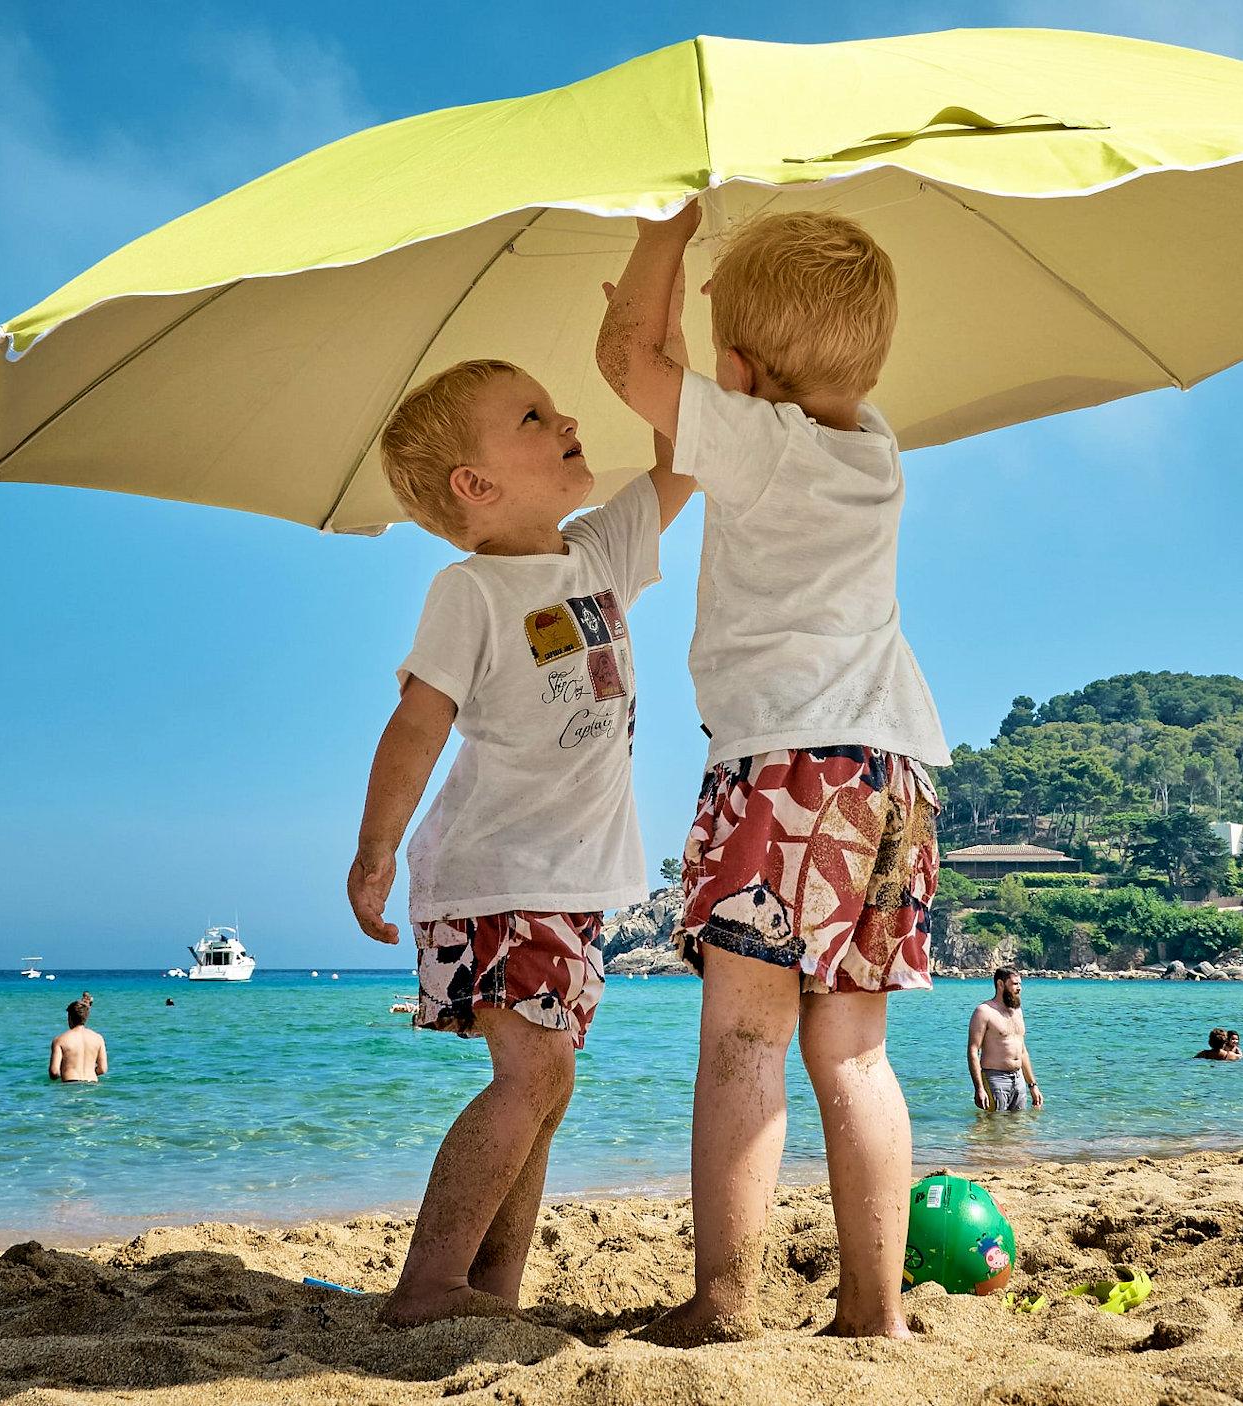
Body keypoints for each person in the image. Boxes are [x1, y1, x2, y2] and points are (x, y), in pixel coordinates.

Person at [601, 203, 946, 1345]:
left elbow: (627, 363)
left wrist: (662, 238)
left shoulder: (760, 440)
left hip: (784, 769)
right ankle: (874, 1312)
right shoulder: (874, 448)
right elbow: (677, 395)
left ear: (742, 375)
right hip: (892, 773)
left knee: (745, 1038)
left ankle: (723, 1299)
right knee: (854, 1051)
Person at [347, 340, 693, 1330]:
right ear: (477, 483)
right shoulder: (470, 591)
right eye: (534, 417)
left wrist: (656, 340)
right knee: (531, 1071)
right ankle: (427, 1284)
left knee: (548, 1082)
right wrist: (376, 848)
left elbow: (681, 460)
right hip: (495, 872)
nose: (568, 420)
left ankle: (487, 1292)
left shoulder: (600, 551)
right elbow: (417, 720)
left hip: (573, 881)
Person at [967, 968, 1041, 1113]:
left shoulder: (1017, 1011)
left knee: (1018, 1127)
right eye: (1014, 984)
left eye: (1020, 984)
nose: (1019, 988)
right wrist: (979, 1088)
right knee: (994, 1126)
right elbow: (973, 1050)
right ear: (1000, 984)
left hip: (1018, 1079)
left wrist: (1032, 1085)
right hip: (995, 1079)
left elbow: (1023, 1051)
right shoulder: (984, 1011)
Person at [48, 993, 107, 1083]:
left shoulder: (60, 1040)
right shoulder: (98, 1038)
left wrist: (65, 1072)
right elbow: (103, 1069)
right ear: (86, 1017)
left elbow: (54, 1072)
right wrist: (89, 1073)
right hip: (92, 1084)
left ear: (69, 1017)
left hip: (70, 1084)